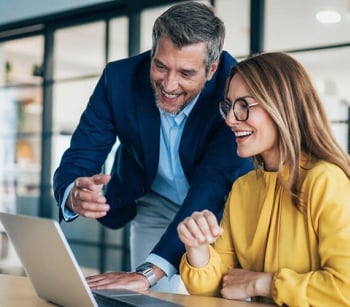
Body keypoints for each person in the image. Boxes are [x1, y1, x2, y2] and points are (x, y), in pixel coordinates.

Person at [53, 1, 253, 293]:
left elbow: (211, 187)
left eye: (186, 73)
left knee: (213, 294)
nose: (169, 85)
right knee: (154, 295)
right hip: (153, 201)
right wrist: (73, 193)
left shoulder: (233, 90)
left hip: (216, 210)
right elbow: (84, 150)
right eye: (160, 66)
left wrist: (149, 272)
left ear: (211, 69)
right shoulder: (119, 79)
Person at [177, 51, 350, 305]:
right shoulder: (244, 188)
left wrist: (264, 283)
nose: (230, 119)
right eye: (228, 106)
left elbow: (345, 287)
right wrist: (197, 248)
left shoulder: (325, 180)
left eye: (244, 105)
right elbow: (217, 288)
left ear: (281, 106)